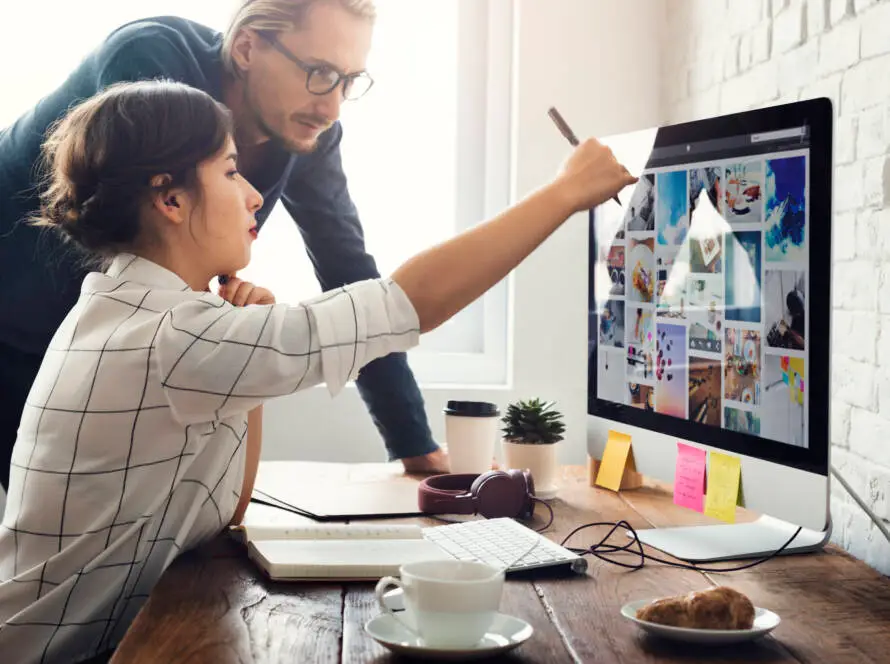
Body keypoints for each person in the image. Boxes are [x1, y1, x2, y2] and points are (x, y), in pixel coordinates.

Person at [0, 80, 633, 662]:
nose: (253, 194)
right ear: (170, 198)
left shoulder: (127, 309)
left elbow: (228, 509)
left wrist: (246, 378)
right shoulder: (174, 335)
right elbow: (409, 304)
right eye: (228, 171)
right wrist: (564, 193)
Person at [1, 0, 460, 488]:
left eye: (349, 81)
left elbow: (348, 266)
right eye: (320, 72)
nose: (332, 106)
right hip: (30, 314)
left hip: (89, 350)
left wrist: (415, 444)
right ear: (245, 47)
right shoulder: (151, 65)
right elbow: (139, 251)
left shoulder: (308, 130)